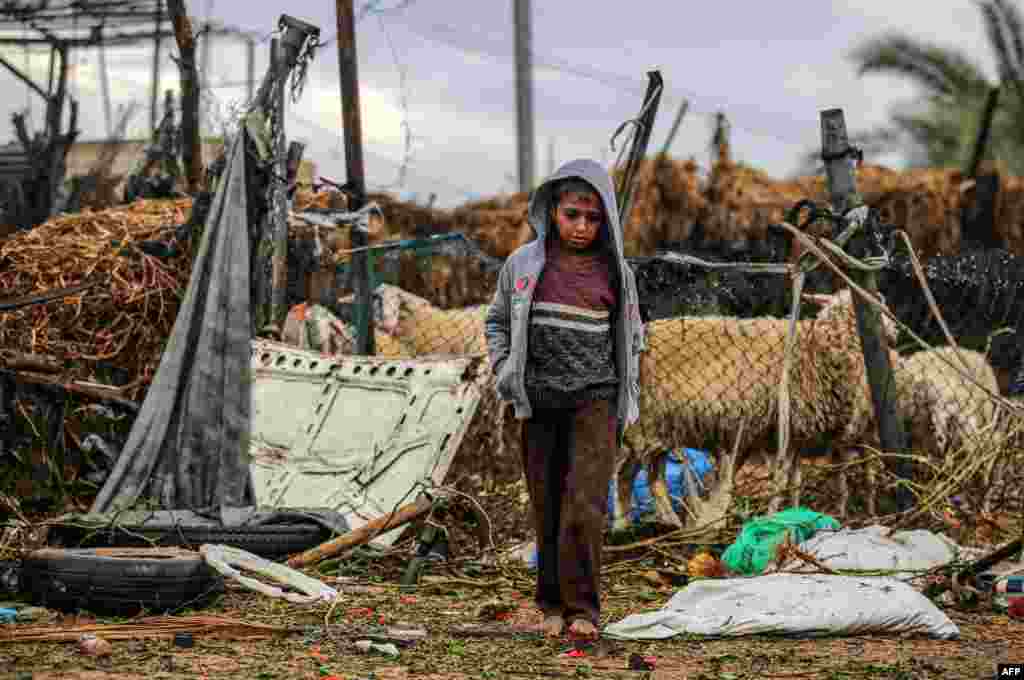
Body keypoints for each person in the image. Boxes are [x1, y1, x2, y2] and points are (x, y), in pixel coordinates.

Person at [484, 159, 645, 639]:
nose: (581, 227)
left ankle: (583, 612)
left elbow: (631, 333)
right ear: (552, 211)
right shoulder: (523, 265)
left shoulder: (616, 272)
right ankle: (551, 605)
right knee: (547, 502)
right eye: (573, 214)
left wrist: (628, 390)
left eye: (593, 218)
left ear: (607, 221)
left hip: (594, 398)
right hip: (538, 399)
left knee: (585, 502)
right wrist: (504, 369)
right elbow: (496, 321)